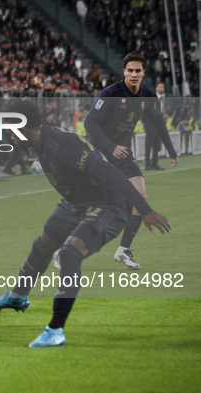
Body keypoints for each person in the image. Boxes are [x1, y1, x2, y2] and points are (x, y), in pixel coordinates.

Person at [0, 99, 173, 348]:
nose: (8, 136)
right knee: (42, 245)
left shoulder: (62, 145)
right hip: (76, 201)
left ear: (24, 128)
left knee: (71, 253)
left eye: (9, 130)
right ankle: (17, 296)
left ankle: (56, 330)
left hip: (109, 203)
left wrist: (144, 210)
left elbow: (111, 173)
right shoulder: (40, 142)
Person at [80, 53, 178, 269]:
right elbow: (90, 123)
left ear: (144, 72)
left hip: (124, 156)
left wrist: (171, 151)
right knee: (91, 207)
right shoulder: (110, 94)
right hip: (100, 154)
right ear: (124, 71)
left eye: (138, 70)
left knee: (140, 197)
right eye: (130, 70)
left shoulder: (147, 96)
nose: (134, 74)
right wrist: (110, 147)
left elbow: (159, 123)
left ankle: (123, 250)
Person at [144, 82, 166, 170]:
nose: (161, 88)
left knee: (157, 145)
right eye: (159, 86)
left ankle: (154, 164)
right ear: (156, 88)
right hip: (151, 124)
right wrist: (145, 122)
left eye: (162, 87)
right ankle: (147, 165)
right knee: (149, 145)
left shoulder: (163, 99)